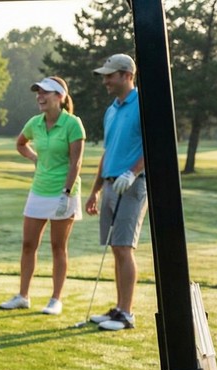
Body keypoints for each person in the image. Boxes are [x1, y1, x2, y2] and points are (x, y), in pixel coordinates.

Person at [0, 76, 85, 315]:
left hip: (63, 192)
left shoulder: (72, 124)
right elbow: (21, 143)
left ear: (60, 96)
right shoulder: (35, 123)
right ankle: (23, 296)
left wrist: (66, 193)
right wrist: (35, 158)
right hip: (39, 190)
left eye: (45, 92)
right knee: (28, 244)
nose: (40, 96)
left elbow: (76, 162)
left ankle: (56, 299)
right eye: (37, 92)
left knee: (58, 247)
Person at [83, 54, 147, 331]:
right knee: (115, 249)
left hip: (132, 185)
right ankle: (119, 309)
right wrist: (95, 190)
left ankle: (127, 314)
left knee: (124, 247)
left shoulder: (143, 105)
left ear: (126, 75)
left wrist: (132, 172)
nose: (106, 81)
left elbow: (152, 145)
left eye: (110, 75)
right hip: (110, 184)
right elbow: (108, 152)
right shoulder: (112, 109)